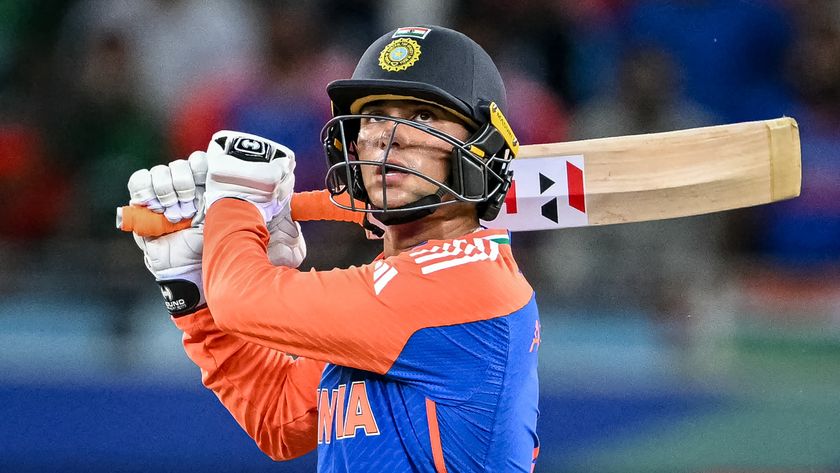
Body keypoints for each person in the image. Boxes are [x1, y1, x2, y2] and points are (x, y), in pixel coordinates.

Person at [128, 25, 540, 472]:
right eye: (376, 115)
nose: (389, 135)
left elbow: (242, 300)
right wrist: (196, 296)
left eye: (422, 116)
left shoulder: (466, 283)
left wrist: (235, 201)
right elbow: (280, 418)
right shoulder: (401, 299)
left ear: (482, 146)